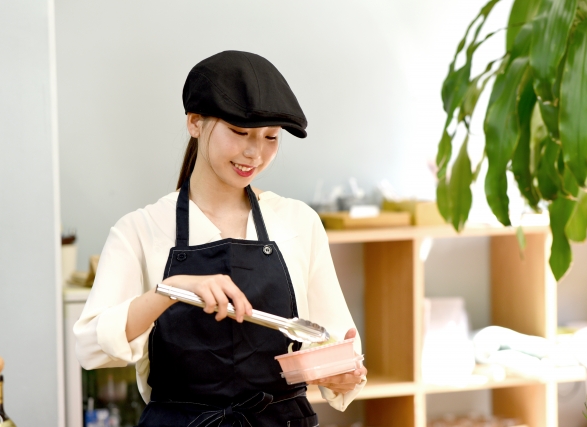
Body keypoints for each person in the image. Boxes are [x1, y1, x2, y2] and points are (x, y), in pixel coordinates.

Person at [74, 50, 367, 427]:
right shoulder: (140, 230)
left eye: (270, 137)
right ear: (195, 122)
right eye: (240, 133)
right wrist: (170, 290)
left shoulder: (298, 223)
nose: (254, 153)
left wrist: (343, 374)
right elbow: (90, 348)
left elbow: (336, 345)